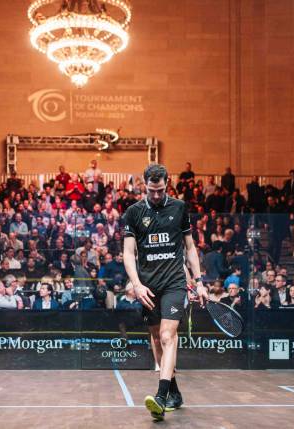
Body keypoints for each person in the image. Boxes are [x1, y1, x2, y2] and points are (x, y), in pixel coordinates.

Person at [122, 163, 208, 421]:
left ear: (166, 184)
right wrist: (137, 285)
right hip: (148, 287)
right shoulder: (133, 212)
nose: (157, 195)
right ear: (144, 186)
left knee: (168, 335)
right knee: (157, 339)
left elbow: (190, 248)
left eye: (160, 190)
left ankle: (160, 397)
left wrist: (199, 281)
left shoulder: (179, 208)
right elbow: (128, 253)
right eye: (152, 190)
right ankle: (174, 391)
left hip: (174, 283)